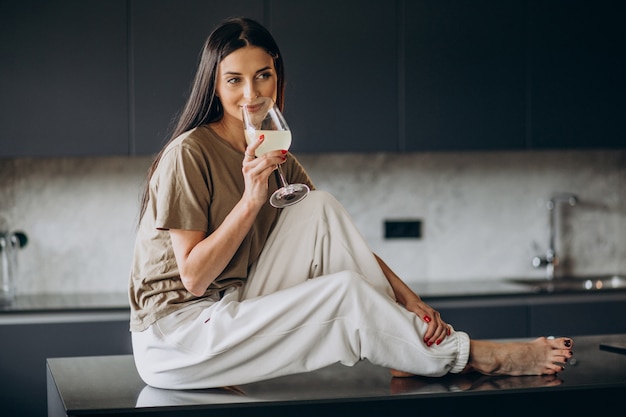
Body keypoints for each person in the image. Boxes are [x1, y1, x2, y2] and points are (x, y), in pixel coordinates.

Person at [129, 17, 573, 390]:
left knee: (319, 206)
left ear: (277, 74)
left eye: (263, 75)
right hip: (177, 336)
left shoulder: (274, 154)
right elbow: (193, 279)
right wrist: (251, 200)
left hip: (231, 307)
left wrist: (409, 299)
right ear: (214, 83)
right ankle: (472, 355)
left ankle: (411, 347)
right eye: (234, 80)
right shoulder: (190, 152)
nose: (252, 94)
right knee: (342, 294)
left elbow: (337, 238)